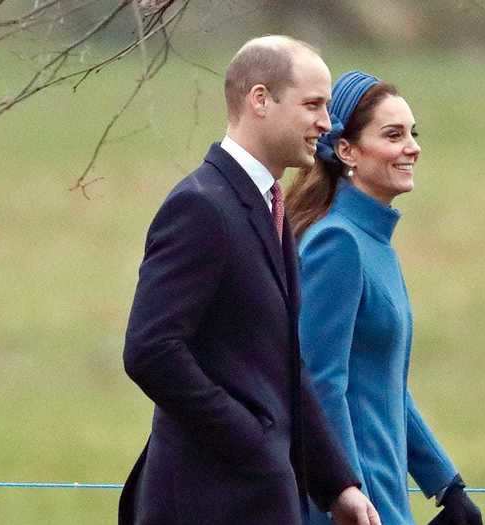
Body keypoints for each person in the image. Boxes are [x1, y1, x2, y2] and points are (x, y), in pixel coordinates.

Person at [119, 38, 381, 525]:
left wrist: (336, 484)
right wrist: (252, 440)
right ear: (260, 100)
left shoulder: (269, 208)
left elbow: (282, 363)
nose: (328, 122)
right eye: (313, 105)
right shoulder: (201, 207)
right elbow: (150, 350)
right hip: (204, 504)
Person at [285, 71, 484, 525]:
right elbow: (319, 382)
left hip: (381, 493)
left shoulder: (372, 240)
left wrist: (444, 483)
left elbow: (384, 382)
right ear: (347, 151)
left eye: (412, 133)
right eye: (393, 135)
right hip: (354, 503)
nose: (412, 146)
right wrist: (346, 490)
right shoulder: (337, 243)